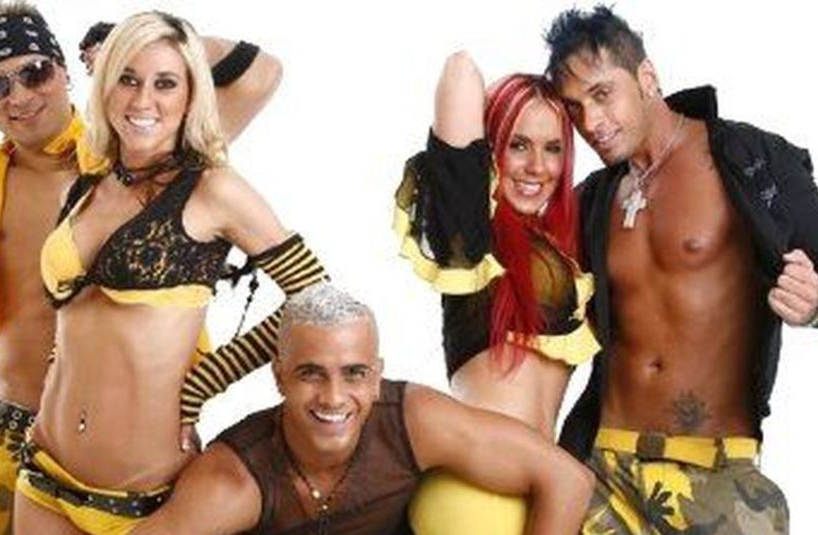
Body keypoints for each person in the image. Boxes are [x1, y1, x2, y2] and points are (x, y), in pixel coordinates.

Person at [0, 1, 281, 533]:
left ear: (66, 72)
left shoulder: (148, 158)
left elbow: (260, 73)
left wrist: (137, 44)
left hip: (130, 447)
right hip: (0, 432)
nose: (20, 95)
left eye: (35, 72)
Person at [13, 12, 328, 534]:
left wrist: (206, 380)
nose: (143, 100)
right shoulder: (88, 186)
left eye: (165, 83)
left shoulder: (212, 190)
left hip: (143, 500)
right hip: (42, 478)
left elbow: (317, 300)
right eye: (128, 78)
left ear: (191, 95)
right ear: (105, 85)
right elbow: (76, 325)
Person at [544, 6, 818, 534]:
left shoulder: (750, 160)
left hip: (717, 475)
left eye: (602, 94)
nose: (591, 123)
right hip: (601, 471)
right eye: (575, 108)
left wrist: (814, 308)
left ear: (646, 76)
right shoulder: (592, 201)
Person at [128, 283, 593, 535]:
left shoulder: (412, 421)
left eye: (354, 373)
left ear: (376, 377)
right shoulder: (234, 479)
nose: (333, 397)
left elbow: (567, 479)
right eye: (311, 373)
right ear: (279, 377)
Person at [392, 54, 599, 534]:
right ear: (491, 149)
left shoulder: (565, 252)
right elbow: (460, 71)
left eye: (552, 148)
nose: (537, 166)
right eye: (517, 144)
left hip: (541, 494)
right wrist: (546, 84)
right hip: (472, 499)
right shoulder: (471, 238)